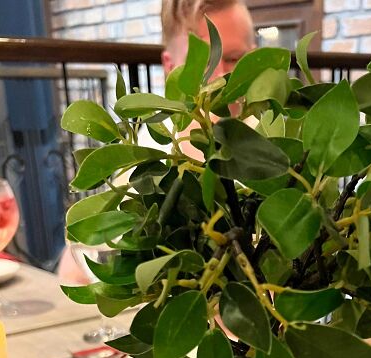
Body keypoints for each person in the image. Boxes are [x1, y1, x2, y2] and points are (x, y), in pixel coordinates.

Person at [58, 0, 255, 285]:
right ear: (170, 67)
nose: (222, 77)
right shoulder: (147, 159)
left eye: (236, 59)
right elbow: (77, 267)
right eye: (204, 62)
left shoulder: (278, 150)